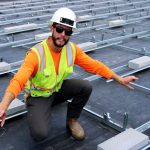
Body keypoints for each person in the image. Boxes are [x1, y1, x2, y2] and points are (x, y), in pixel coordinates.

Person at [0, 7, 138, 142]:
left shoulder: (71, 50)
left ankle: (72, 120)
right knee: (39, 134)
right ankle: (41, 109)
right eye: (59, 29)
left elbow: (95, 65)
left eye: (68, 32)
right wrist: (4, 106)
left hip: (57, 90)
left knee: (85, 86)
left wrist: (119, 79)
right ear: (52, 28)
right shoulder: (36, 54)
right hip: (39, 96)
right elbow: (18, 81)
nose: (62, 35)